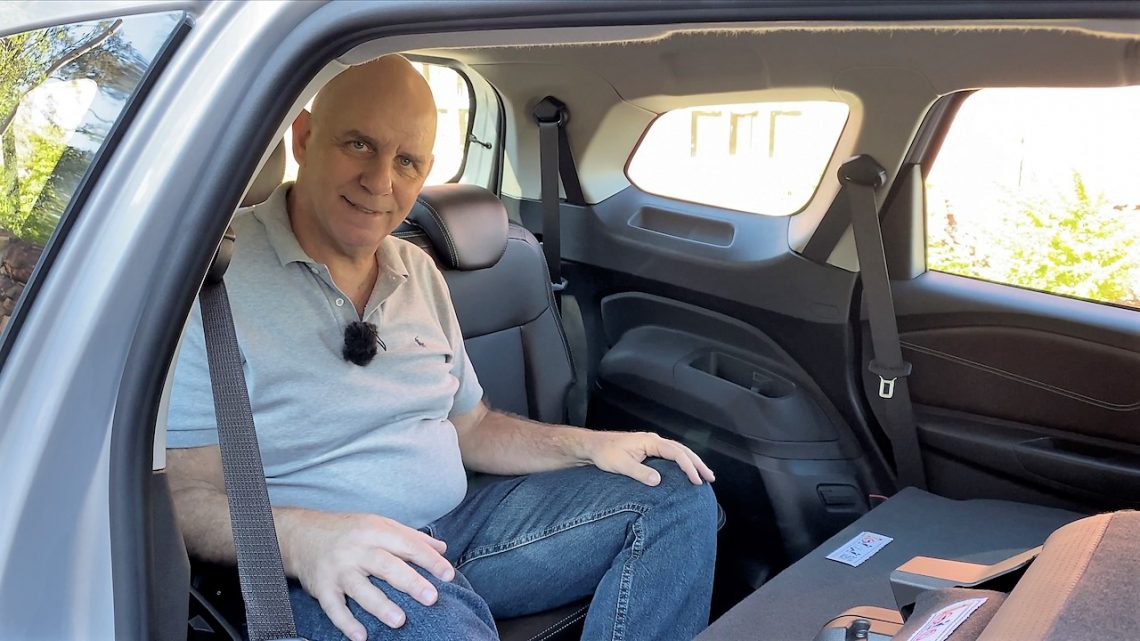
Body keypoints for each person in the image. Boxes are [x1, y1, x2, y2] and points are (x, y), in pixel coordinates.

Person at [166, 54, 717, 641]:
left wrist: (590, 446)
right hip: (317, 565)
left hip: (459, 530)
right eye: (359, 144)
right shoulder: (213, 280)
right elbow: (183, 496)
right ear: (304, 138)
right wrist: (304, 539)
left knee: (674, 490)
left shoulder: (417, 270)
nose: (381, 181)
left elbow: (471, 426)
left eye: (406, 161)